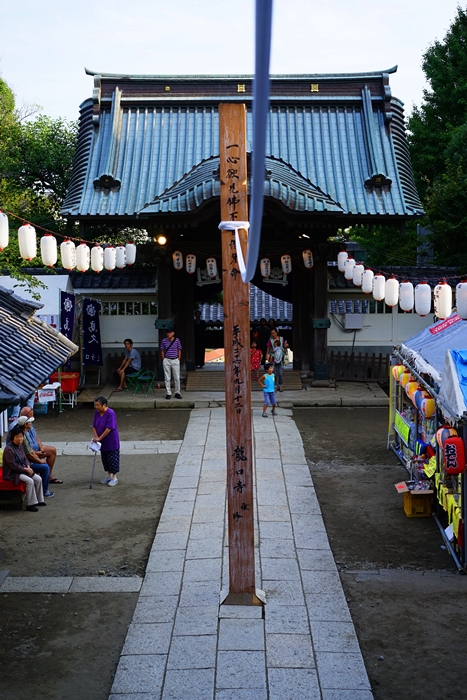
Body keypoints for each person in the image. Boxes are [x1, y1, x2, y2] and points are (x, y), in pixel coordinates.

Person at [2, 425, 46, 512]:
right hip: (13, 473)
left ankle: (39, 500)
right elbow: (13, 465)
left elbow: (25, 458)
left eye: (21, 437)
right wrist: (25, 469)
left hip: (23, 469)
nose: (19, 439)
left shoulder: (21, 446)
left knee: (38, 479)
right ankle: (30, 504)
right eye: (17, 437)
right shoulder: (8, 449)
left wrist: (28, 466)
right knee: (30, 481)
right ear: (13, 437)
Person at [19, 407, 61, 483]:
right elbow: (25, 449)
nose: (33, 418)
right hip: (28, 453)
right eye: (31, 416)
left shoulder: (29, 424)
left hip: (34, 449)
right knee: (43, 465)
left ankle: (48, 476)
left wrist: (41, 447)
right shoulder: (21, 431)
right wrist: (37, 456)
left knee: (52, 450)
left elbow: (36, 436)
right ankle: (44, 485)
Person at [16, 416, 54, 498]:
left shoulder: (25, 433)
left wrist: (36, 454)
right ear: (25, 424)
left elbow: (30, 450)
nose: (31, 424)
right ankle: (44, 491)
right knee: (45, 467)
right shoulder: (23, 436)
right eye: (29, 422)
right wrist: (39, 460)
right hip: (25, 463)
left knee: (44, 464)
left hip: (26, 460)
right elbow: (28, 453)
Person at [92, 396, 120, 486]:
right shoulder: (97, 413)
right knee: (105, 458)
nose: (96, 407)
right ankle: (109, 476)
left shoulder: (110, 413)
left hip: (110, 439)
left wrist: (100, 438)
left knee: (112, 458)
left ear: (104, 405)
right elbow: (94, 426)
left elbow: (109, 428)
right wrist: (96, 437)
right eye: (96, 405)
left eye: (98, 405)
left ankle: (114, 477)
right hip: (101, 440)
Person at [160, 328, 182, 399]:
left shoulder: (177, 340)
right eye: (167, 332)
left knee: (177, 377)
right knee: (167, 377)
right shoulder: (164, 340)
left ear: (173, 333)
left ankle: (177, 392)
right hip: (167, 359)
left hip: (175, 359)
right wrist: (164, 359)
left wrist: (178, 359)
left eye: (170, 332)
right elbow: (162, 350)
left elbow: (179, 350)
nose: (168, 334)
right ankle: (168, 392)